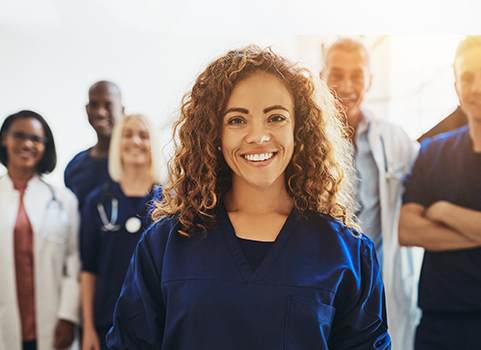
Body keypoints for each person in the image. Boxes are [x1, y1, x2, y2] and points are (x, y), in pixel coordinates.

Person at [106, 45, 390, 349]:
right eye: (237, 120)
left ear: (300, 129)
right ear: (214, 134)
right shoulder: (166, 246)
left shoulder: (346, 254)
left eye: (276, 118)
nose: (258, 136)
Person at [320, 37, 422, 350]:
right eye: (336, 74)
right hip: (325, 281)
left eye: (357, 76)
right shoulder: (302, 139)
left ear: (370, 81)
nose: (347, 85)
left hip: (382, 284)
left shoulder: (394, 139)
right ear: (322, 76)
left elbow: (424, 191)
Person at [399, 35, 481, 349]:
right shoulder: (433, 153)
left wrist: (445, 211)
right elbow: (407, 230)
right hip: (439, 324)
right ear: (456, 84)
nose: (475, 87)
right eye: (467, 78)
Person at [79, 114, 163, 350]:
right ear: (117, 142)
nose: (135, 141)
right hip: (107, 323)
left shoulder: (171, 203)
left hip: (158, 325)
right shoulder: (97, 201)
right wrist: (88, 328)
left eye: (143, 135)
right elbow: (88, 269)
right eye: (127, 134)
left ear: (153, 143)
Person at [0, 110, 80, 350]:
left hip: (52, 325)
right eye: (20, 135)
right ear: (5, 138)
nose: (27, 144)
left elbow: (74, 262)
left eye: (36, 139)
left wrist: (68, 317)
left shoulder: (64, 200)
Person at [64, 80, 124, 209]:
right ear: (87, 109)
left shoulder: (135, 162)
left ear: (122, 110)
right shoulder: (75, 166)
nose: (100, 112)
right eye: (94, 104)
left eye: (108, 105)